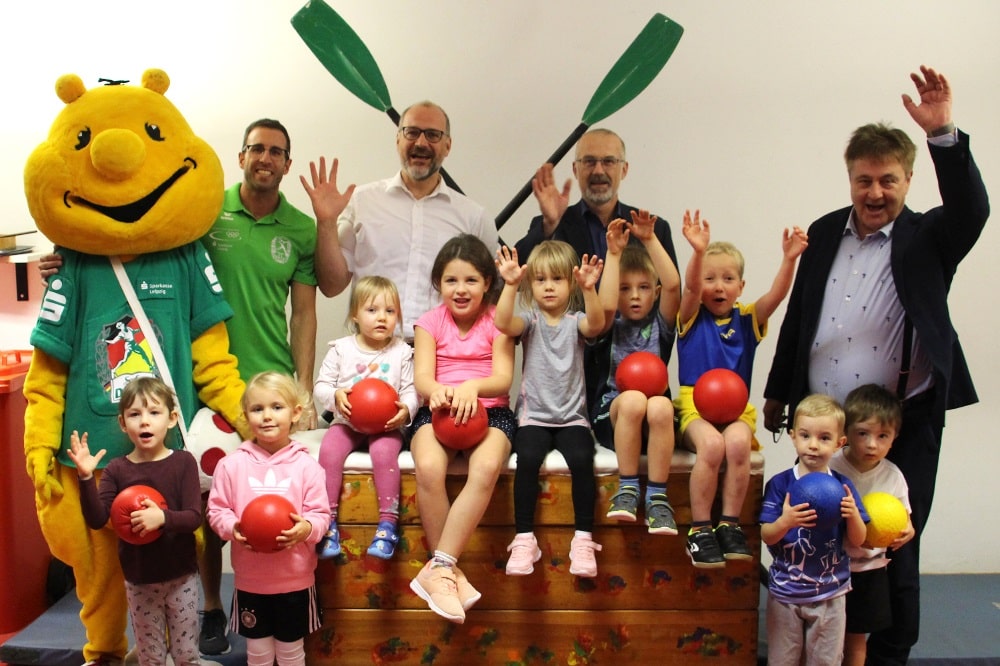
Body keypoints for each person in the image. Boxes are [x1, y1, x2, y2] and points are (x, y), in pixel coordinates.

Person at [762, 65, 989, 664]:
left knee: (892, 543)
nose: (875, 193)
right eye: (864, 180)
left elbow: (971, 208)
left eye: (888, 180)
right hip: (825, 426)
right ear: (850, 179)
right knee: (826, 533)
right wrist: (778, 395)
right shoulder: (823, 231)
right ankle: (825, 647)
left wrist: (944, 135)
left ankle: (889, 653)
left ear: (909, 179)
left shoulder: (930, 236)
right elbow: (799, 320)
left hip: (902, 426)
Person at [675, 210, 808, 568]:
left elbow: (776, 298)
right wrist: (698, 252)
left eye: (728, 278)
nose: (718, 286)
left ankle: (729, 523)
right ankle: (700, 528)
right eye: (710, 279)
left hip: (735, 409)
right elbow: (689, 288)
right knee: (713, 444)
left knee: (735, 443)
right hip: (694, 407)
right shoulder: (690, 317)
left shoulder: (747, 319)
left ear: (740, 287)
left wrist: (789, 259)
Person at [303, 101, 497, 341]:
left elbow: (491, 297)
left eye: (433, 135)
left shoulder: (474, 218)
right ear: (398, 139)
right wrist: (326, 223)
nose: (421, 143)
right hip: (370, 355)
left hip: (443, 360)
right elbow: (331, 286)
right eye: (412, 132)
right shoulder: (361, 202)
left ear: (448, 146)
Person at [408, 234, 516, 624]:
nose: (460, 289)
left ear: (488, 282)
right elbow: (422, 377)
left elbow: (503, 378)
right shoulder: (429, 322)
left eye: (471, 280)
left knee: (485, 469)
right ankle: (448, 574)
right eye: (451, 280)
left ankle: (439, 567)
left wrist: (472, 387)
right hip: (438, 413)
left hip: (489, 414)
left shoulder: (498, 321)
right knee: (430, 469)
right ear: (438, 284)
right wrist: (439, 392)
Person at [67, 376, 202, 666]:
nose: (144, 422)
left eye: (154, 413)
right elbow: (97, 518)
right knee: (150, 657)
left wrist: (161, 518)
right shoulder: (117, 470)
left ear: (171, 418)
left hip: (182, 577)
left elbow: (193, 517)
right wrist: (86, 478)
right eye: (135, 414)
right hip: (140, 581)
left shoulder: (184, 462)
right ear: (122, 423)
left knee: (186, 656)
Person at [494, 241, 605, 577]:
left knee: (583, 460)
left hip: (572, 419)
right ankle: (525, 538)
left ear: (570, 284)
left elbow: (597, 324)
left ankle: (583, 539)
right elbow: (502, 323)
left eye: (557, 279)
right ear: (531, 286)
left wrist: (590, 289)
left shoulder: (577, 321)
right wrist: (510, 285)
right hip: (533, 418)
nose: (548, 286)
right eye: (540, 279)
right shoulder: (529, 321)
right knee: (526, 460)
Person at [206, 372, 330, 666]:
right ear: (246, 415)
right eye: (257, 409)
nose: (267, 416)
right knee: (258, 653)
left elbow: (321, 514)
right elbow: (216, 511)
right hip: (251, 581)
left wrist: (306, 528)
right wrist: (231, 526)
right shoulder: (231, 465)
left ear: (296, 412)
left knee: (291, 652)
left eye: (277, 407)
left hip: (295, 581)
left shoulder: (307, 466)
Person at [313, 275, 419, 560]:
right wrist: (335, 396)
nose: (381, 318)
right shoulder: (341, 349)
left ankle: (387, 524)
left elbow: (412, 391)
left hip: (386, 426)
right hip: (348, 422)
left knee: (384, 453)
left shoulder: (402, 352)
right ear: (355, 315)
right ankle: (327, 522)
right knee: (329, 450)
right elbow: (321, 386)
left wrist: (405, 411)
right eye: (372, 310)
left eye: (390, 311)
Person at [760, 394, 869, 666]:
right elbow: (766, 535)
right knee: (782, 660)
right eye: (806, 436)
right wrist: (785, 521)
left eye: (824, 438)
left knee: (825, 661)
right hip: (785, 592)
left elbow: (858, 541)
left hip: (830, 593)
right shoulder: (779, 484)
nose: (813, 445)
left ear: (839, 443)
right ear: (792, 436)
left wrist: (854, 515)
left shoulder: (843, 486)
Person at [591, 212, 680, 534]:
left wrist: (650, 239)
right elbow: (604, 305)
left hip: (654, 419)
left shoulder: (661, 324)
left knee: (660, 405)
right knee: (631, 401)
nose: (634, 295)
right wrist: (613, 254)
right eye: (626, 288)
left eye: (643, 287)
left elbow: (673, 285)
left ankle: (657, 496)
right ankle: (627, 489)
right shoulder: (609, 324)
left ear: (654, 293)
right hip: (615, 415)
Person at [829, 384, 915, 666]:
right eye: (862, 433)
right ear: (846, 432)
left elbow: (906, 520)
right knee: (825, 635)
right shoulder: (831, 467)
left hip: (869, 570)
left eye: (882, 436)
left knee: (855, 638)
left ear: (894, 438)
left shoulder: (893, 476)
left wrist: (907, 531)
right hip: (829, 567)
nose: (871, 444)